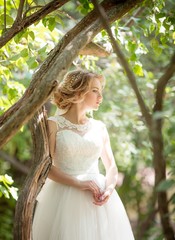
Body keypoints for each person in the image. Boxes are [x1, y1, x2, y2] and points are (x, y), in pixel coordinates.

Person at [32, 69, 135, 240]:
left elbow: (112, 167)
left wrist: (109, 189)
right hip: (63, 197)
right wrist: (78, 183)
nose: (100, 97)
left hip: (98, 198)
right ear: (79, 91)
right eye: (95, 90)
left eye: (100, 92)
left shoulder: (100, 127)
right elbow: (47, 167)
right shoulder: (53, 124)